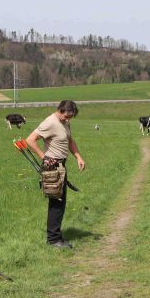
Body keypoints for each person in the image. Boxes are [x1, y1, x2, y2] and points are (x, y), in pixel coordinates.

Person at [25, 100, 86, 248]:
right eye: (66, 116)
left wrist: (78, 156)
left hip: (61, 165)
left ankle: (56, 236)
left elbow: (70, 141)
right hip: (52, 166)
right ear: (60, 110)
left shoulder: (65, 123)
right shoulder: (50, 122)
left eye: (70, 117)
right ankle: (53, 240)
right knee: (56, 202)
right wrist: (43, 157)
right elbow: (30, 140)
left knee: (60, 202)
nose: (68, 119)